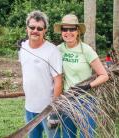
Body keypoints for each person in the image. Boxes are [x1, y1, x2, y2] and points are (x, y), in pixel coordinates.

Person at [54, 14, 109, 138]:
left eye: (72, 29)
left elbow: (104, 75)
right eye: (64, 29)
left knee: (87, 135)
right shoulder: (58, 50)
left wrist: (88, 86)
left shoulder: (86, 50)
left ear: (78, 31)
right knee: (68, 135)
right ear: (61, 32)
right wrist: (27, 43)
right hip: (67, 100)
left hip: (86, 100)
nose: (68, 32)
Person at [19, 10, 62, 138]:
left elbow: (58, 81)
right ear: (27, 28)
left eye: (39, 28)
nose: (35, 31)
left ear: (45, 31)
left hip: (48, 109)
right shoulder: (23, 47)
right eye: (32, 27)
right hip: (29, 107)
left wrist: (54, 108)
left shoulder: (52, 51)